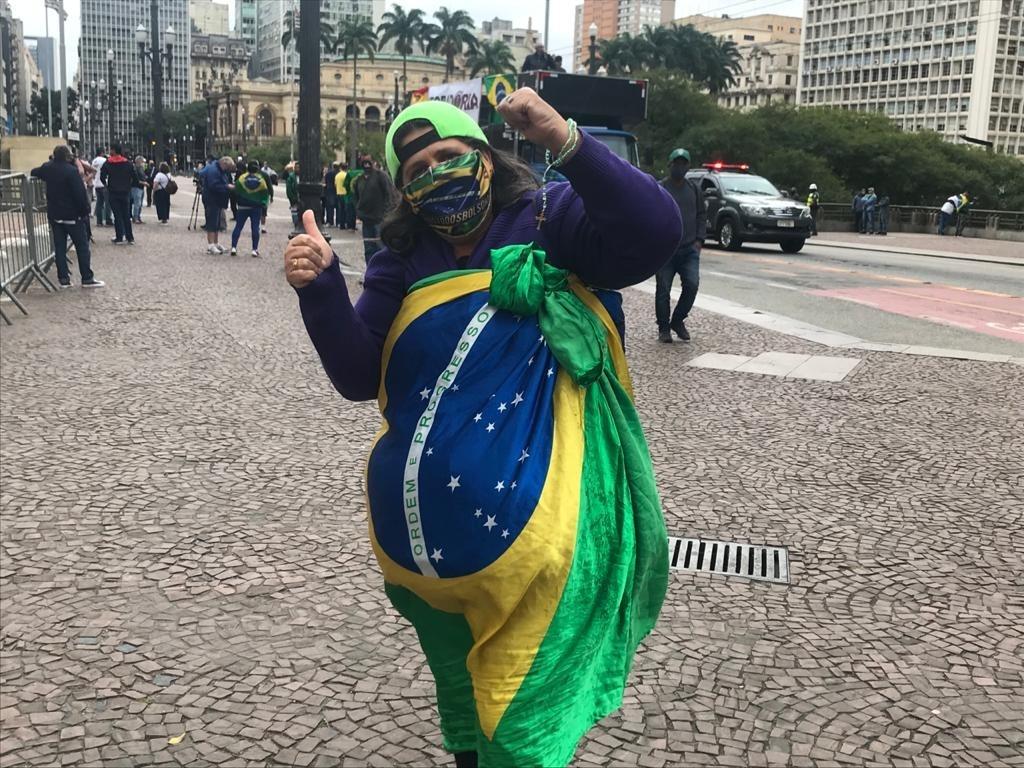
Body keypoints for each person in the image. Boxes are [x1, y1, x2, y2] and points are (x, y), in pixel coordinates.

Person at [284, 95, 679, 768]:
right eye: (417, 168)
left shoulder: (550, 220)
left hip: (537, 531)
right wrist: (321, 291)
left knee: (522, 703)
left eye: (448, 156)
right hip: (422, 543)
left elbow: (652, 234)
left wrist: (567, 140)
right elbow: (358, 374)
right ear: (404, 191)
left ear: (486, 158)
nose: (436, 173)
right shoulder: (402, 259)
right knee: (463, 699)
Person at [30, 145, 104, 288]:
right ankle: (87, 277)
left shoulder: (47, 168)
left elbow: (34, 171)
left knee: (59, 247)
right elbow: (79, 194)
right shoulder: (71, 171)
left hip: (55, 214)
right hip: (72, 215)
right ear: (67, 156)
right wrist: (84, 211)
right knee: (82, 246)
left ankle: (63, 279)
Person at [655, 148, 704, 343]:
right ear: (670, 165)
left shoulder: (694, 189)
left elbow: (701, 215)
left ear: (688, 166)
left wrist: (699, 240)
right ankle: (664, 327)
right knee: (663, 289)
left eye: (684, 163)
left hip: (689, 248)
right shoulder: (661, 188)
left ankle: (678, 320)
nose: (680, 167)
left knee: (692, 285)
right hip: (666, 250)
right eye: (677, 163)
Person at [353, 155, 394, 263]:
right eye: (364, 164)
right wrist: (358, 211)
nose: (366, 166)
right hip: (366, 219)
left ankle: (383, 271)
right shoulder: (359, 179)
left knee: (380, 247)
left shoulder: (381, 176)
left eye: (368, 163)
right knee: (369, 248)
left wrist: (386, 213)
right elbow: (356, 196)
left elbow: (388, 194)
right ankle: (370, 272)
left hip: (379, 218)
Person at [230, 160, 271, 257]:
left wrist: (239, 199)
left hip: (242, 206)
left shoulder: (242, 178)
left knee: (238, 227)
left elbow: (236, 190)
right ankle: (254, 249)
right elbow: (265, 193)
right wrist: (264, 203)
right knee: (255, 228)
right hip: (256, 207)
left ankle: (234, 247)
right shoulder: (260, 180)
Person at [100, 143, 136, 245]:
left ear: (114, 151)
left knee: (117, 215)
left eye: (111, 149)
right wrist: (128, 186)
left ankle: (119, 237)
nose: (109, 152)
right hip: (125, 192)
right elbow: (135, 177)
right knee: (126, 215)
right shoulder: (128, 163)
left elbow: (102, 177)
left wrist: (106, 185)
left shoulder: (108, 163)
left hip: (113, 192)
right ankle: (130, 237)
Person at [200, 156, 235, 253]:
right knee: (212, 222)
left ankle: (215, 243)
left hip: (217, 199)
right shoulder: (214, 171)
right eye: (228, 167)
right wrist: (227, 186)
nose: (228, 170)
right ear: (224, 164)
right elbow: (213, 185)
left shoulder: (218, 169)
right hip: (212, 199)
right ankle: (210, 245)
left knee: (216, 223)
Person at [91, 147, 112, 227]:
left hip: (96, 183)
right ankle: (107, 220)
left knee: (99, 203)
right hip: (103, 184)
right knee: (107, 203)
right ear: (102, 152)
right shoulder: (104, 160)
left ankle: (99, 221)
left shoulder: (94, 161)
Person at [343, 163, 362, 230]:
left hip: (351, 195)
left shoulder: (350, 173)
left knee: (350, 212)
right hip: (362, 196)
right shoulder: (365, 172)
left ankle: (350, 226)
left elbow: (345, 184)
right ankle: (353, 226)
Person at [131, 156, 148, 224]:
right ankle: (135, 217)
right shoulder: (135, 168)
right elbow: (135, 179)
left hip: (141, 187)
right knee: (137, 203)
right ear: (139, 161)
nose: (143, 163)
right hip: (136, 187)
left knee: (139, 204)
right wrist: (143, 182)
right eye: (142, 161)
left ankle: (138, 216)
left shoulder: (141, 168)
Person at [285, 161, 301, 230]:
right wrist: (292, 198)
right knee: (295, 212)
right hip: (294, 198)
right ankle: (296, 225)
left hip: (302, 197)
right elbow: (289, 189)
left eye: (299, 168)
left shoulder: (303, 176)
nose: (298, 169)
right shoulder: (291, 177)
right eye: (296, 167)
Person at [333, 161, 349, 229]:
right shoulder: (346, 175)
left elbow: (335, 184)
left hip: (338, 193)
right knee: (346, 210)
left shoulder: (337, 175)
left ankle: (340, 224)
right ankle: (346, 223)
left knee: (340, 210)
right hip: (345, 194)